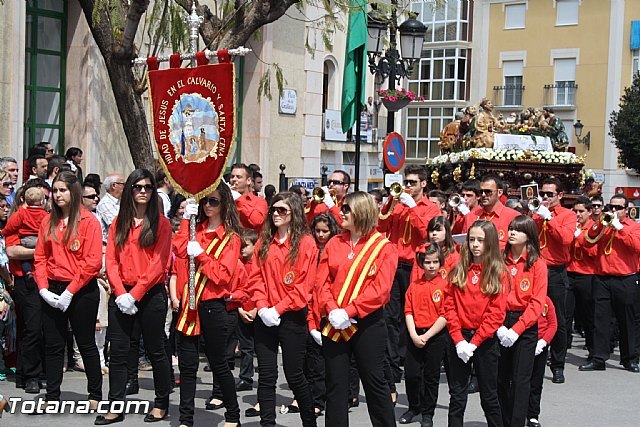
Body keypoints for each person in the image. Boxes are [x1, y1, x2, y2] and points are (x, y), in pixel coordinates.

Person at [97, 169, 172, 425]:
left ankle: (162, 403)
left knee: (155, 351)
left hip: (150, 296)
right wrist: (121, 293)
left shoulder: (161, 223)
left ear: (153, 191)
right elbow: (112, 259)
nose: (143, 191)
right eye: (138, 186)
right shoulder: (120, 221)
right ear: (129, 190)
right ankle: (116, 405)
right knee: (117, 352)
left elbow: (158, 264)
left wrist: (136, 294)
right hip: (121, 295)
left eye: (148, 187)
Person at [316, 191, 398, 427]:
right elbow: (322, 282)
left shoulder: (384, 247)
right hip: (334, 321)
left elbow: (381, 291)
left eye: (346, 209)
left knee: (374, 384)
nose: (341, 213)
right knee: (336, 385)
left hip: (367, 324)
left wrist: (349, 311)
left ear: (361, 212)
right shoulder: (334, 242)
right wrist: (332, 309)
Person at [243, 192, 318, 427]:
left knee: (295, 375)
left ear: (294, 213)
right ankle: (268, 423)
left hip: (291, 317)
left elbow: (304, 286)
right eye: (273, 209)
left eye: (282, 210)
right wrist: (263, 307)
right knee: (266, 376)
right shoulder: (264, 242)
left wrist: (279, 309)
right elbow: (255, 278)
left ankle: (309, 422)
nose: (276, 213)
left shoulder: (306, 243)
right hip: (266, 317)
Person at [173, 185, 242, 427]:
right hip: (189, 305)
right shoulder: (196, 229)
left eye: (213, 201)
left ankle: (233, 415)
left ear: (224, 204)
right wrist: (185, 218)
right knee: (188, 366)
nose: (207, 206)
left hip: (213, 307)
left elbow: (222, 276)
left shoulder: (231, 239)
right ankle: (185, 419)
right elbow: (179, 248)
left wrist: (201, 255)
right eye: (205, 202)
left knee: (218, 364)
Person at [33, 171, 103, 407]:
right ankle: (52, 395)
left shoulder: (89, 221)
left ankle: (94, 395)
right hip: (53, 287)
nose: (58, 195)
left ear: (73, 192)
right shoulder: (48, 221)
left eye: (62, 190)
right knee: (53, 345)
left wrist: (70, 291)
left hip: (81, 290)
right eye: (55, 190)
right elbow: (40, 258)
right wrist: (43, 289)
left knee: (85, 343)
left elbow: (92, 261)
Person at [377, 164, 441, 401]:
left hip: (416, 266)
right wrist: (389, 203)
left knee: (411, 315)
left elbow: (428, 233)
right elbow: (381, 226)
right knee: (390, 318)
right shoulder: (398, 203)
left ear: (423, 184)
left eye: (413, 182)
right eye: (407, 182)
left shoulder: (431, 208)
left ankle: (409, 361)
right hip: (394, 265)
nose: (408, 186)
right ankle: (393, 371)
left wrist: (413, 207)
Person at [444, 220, 508, 427]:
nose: (475, 245)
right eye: (472, 240)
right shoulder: (458, 269)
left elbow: (496, 314)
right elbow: (449, 306)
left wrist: (475, 342)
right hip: (459, 338)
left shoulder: (499, 272)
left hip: (485, 341)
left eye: (481, 240)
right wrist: (458, 339)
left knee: (489, 395)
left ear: (490, 242)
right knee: (457, 394)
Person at [577, 194, 640, 373]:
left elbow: (636, 247)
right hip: (602, 277)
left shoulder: (634, 227)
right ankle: (598, 358)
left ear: (626, 210)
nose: (614, 210)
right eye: (611, 207)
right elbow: (588, 240)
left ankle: (630, 359)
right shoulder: (604, 225)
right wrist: (600, 225)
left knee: (627, 320)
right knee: (600, 319)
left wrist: (619, 228)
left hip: (625, 278)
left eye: (618, 208)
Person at [498, 215, 547, 427]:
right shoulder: (500, 259)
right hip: (500, 320)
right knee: (500, 378)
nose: (511, 233)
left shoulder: (537, 264)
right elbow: (492, 293)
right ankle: (503, 420)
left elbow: (537, 302)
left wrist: (517, 329)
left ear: (529, 236)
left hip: (525, 325)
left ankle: (517, 422)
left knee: (520, 379)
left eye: (517, 230)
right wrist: (498, 325)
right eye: (510, 228)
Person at [529, 178, 577, 384]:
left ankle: (558, 365)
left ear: (559, 195)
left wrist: (549, 218)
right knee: (532, 314)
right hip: (533, 269)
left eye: (550, 194)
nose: (545, 197)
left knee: (559, 320)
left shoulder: (568, 215)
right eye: (543, 194)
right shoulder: (535, 213)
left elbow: (566, 239)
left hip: (555, 271)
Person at [403, 242, 450, 427]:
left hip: (435, 336)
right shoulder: (414, 285)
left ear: (440, 263)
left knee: (431, 376)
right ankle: (414, 406)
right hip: (415, 333)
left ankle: (427, 413)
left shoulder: (445, 285)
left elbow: (445, 314)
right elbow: (408, 311)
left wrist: (427, 336)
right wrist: (414, 335)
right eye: (428, 262)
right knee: (412, 374)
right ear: (421, 263)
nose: (431, 266)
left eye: (435, 262)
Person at [566, 196, 596, 360]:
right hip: (570, 273)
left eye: (581, 211)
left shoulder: (594, 228)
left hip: (587, 275)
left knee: (588, 316)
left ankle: (593, 352)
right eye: (575, 211)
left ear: (590, 212)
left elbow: (594, 252)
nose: (577, 214)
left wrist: (580, 237)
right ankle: (562, 350)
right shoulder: (572, 225)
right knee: (565, 316)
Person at [462, 174, 520, 250]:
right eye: (481, 191)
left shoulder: (513, 217)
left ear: (499, 192)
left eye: (488, 192)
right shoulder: (471, 216)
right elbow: (463, 245)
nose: (483, 195)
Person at [2, 187, 48, 279]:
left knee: (24, 259)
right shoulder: (45, 215)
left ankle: (28, 271)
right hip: (39, 240)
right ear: (42, 201)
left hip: (26, 240)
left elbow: (11, 226)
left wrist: (3, 231)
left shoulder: (21, 213)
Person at [526, 297, 557, 427]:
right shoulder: (523, 299)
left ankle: (533, 415)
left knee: (536, 382)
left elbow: (553, 324)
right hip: (523, 344)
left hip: (540, 346)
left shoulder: (547, 301)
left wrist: (543, 342)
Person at [230, 163, 268, 232]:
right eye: (232, 177)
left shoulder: (259, 201)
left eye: (238, 177)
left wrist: (239, 199)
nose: (234, 179)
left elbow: (257, 221)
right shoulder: (227, 201)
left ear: (248, 181)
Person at [96, 173, 125, 243]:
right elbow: (118, 224)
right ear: (114, 186)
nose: (125, 187)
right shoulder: (105, 203)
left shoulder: (120, 202)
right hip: (109, 245)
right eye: (123, 184)